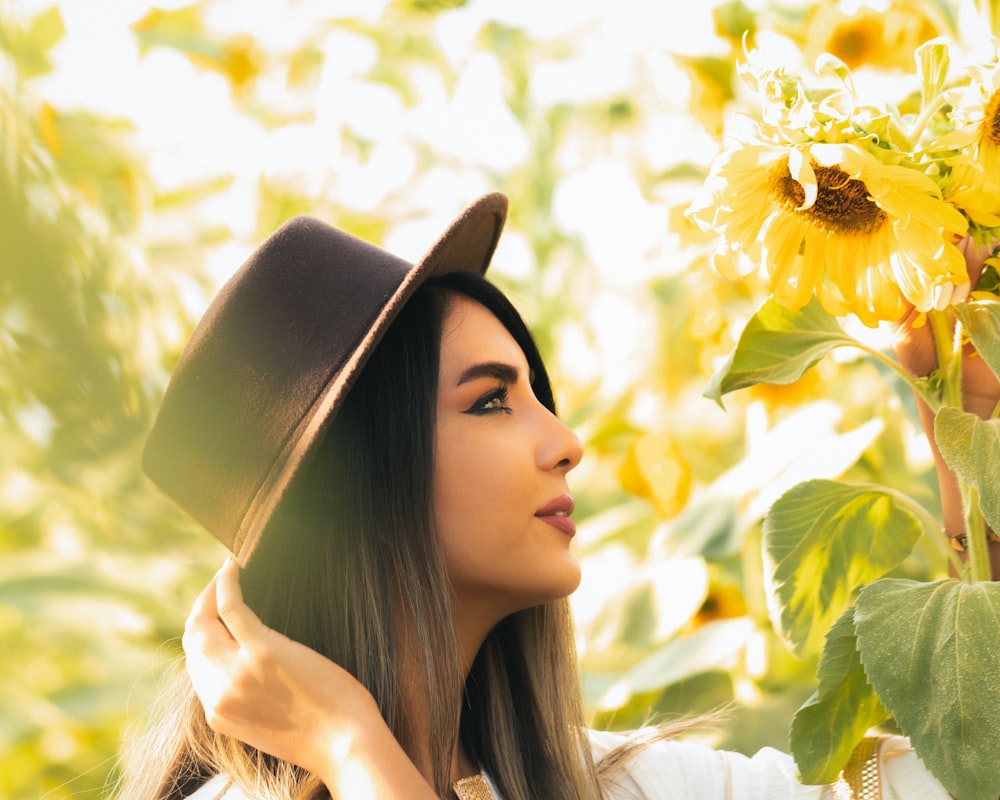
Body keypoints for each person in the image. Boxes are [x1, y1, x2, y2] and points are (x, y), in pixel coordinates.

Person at [117, 193, 988, 800]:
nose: (566, 443)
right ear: (357, 487)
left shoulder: (610, 786)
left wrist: (971, 443)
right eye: (492, 400)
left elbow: (964, 775)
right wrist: (350, 747)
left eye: (538, 395)